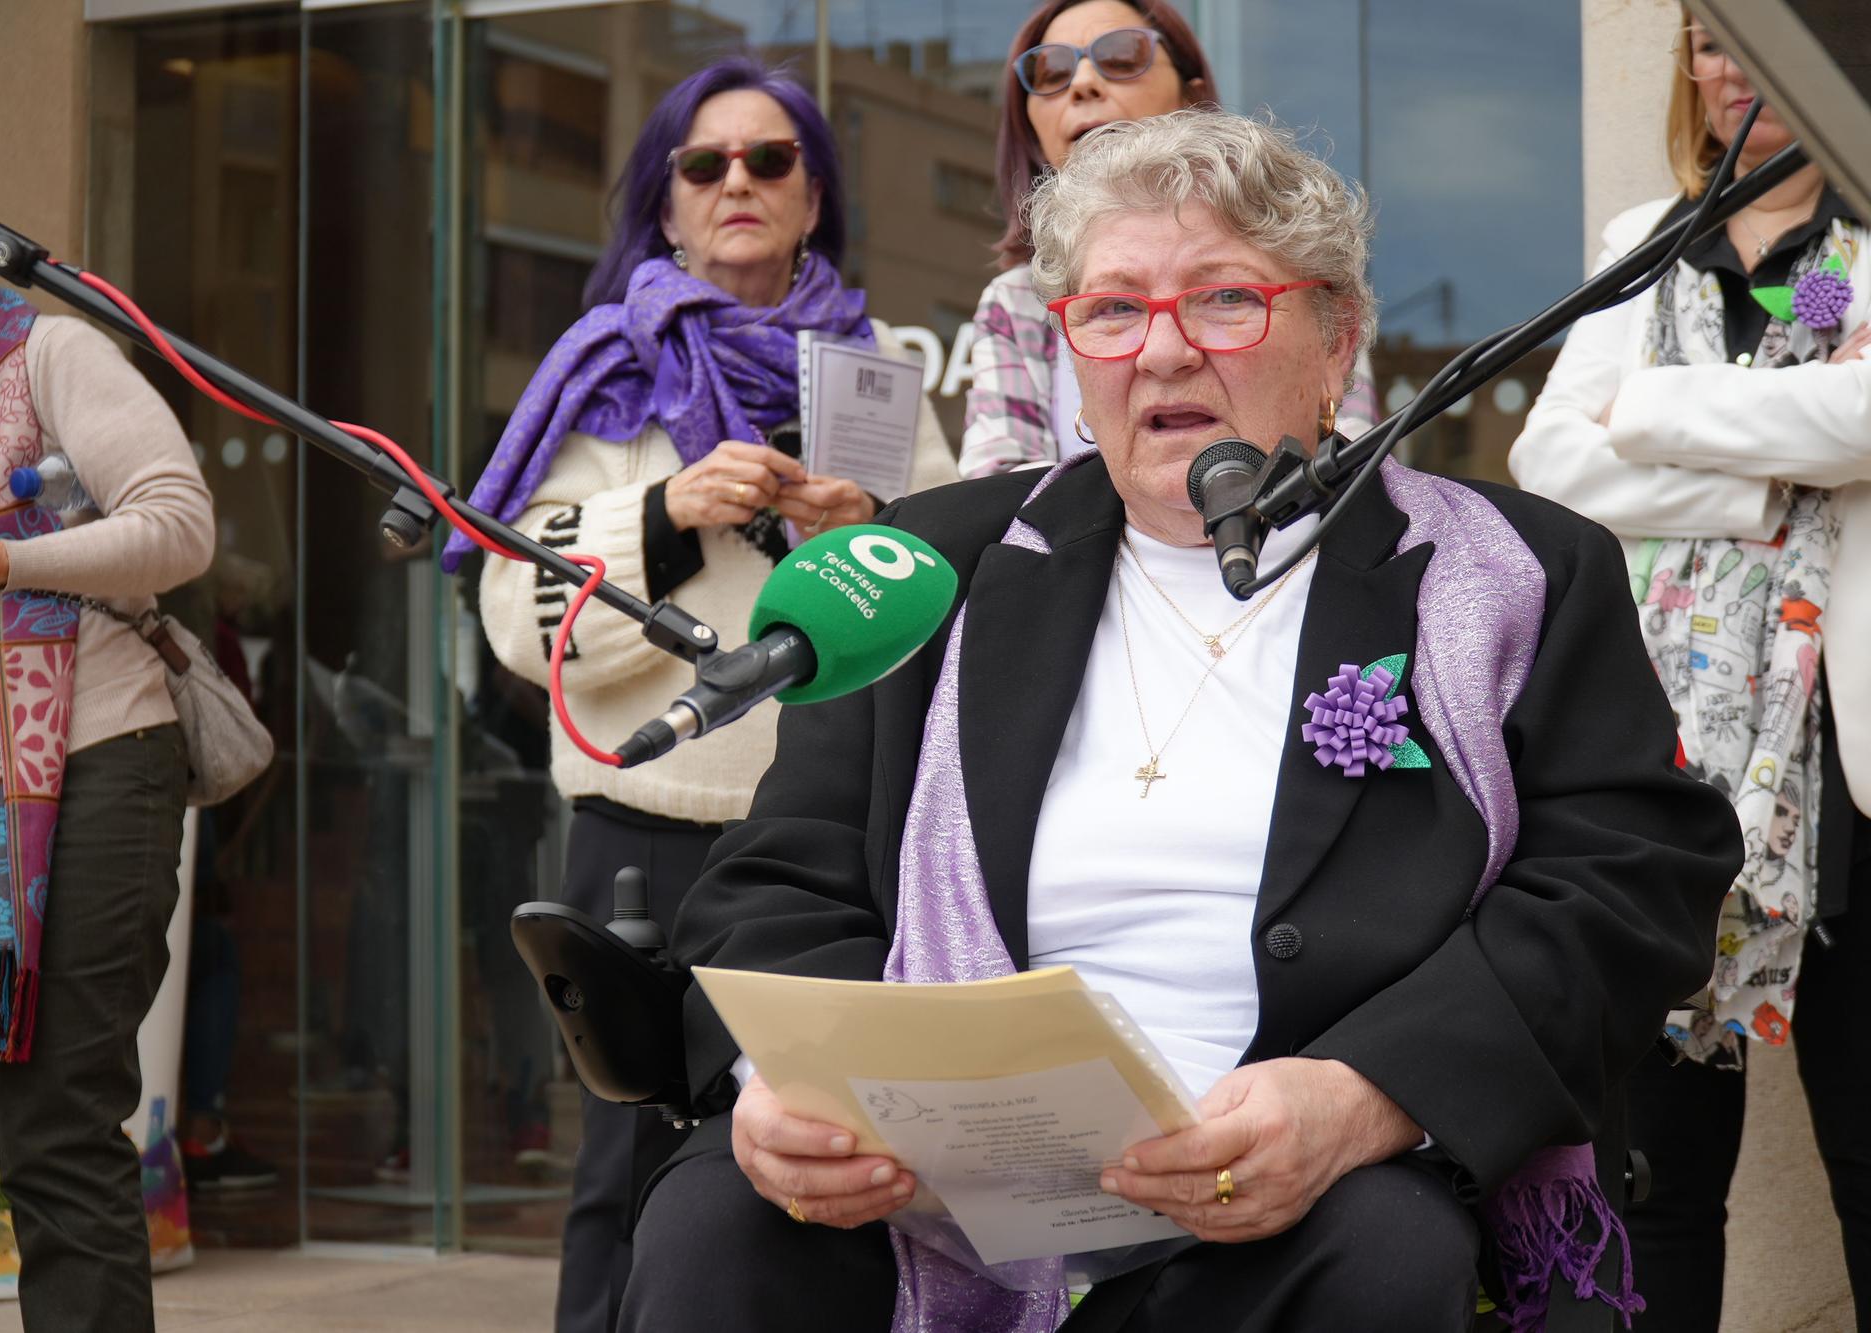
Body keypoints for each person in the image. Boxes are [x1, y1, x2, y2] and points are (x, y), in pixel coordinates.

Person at [620, 109, 1740, 1333]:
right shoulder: (933, 563)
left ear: (1334, 341)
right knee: (713, 1220)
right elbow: (779, 880)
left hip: (1302, 1189)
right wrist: (787, 1086)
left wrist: (1362, 1096)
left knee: (1378, 1252)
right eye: (1109, 311)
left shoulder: (1512, 573)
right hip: (932, 1191)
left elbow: (1629, 882)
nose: (1159, 353)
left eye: (1220, 301)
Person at [452, 58, 960, 1333]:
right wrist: (665, 518)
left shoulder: (878, 375)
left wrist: (873, 523)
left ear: (812, 198)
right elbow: (517, 620)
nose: (737, 180)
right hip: (640, 832)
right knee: (617, 1175)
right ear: (664, 205)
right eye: (704, 163)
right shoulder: (600, 375)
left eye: (770, 160)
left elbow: (960, 593)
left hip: (831, 844)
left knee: (826, 1160)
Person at [1509, 13, 1871, 1328]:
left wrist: (1652, 410)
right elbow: (1553, 462)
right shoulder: (1639, 246)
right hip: (1667, 752)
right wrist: (1794, 453)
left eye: (1759, 41)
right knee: (1654, 1181)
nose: (1734, 72)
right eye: (1710, 45)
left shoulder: (1865, 235)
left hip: (1843, 759)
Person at [0, 131, 214, 1330]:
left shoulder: (48, 348)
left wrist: (2, 555)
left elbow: (179, 525)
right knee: (10, 1118)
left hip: (98, 761)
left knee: (64, 1118)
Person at [959, 0, 1377, 480]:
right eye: (1050, 72)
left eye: (1121, 58)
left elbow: (1351, 455)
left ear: (1191, 97)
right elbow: (998, 485)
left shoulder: (1294, 264)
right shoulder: (1015, 299)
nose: (1081, 84)